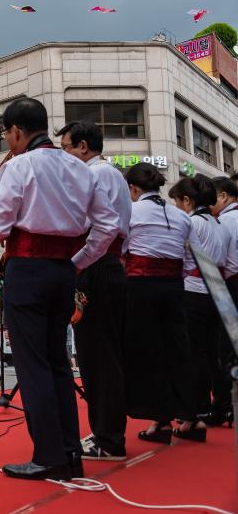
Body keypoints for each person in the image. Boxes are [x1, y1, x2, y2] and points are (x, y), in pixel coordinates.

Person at [0, 98, 119, 481]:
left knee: (33, 367)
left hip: (27, 272)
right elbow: (108, 226)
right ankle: (70, 453)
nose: (7, 141)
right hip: (63, 272)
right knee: (59, 364)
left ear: (15, 131)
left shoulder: (19, 165)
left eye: (6, 134)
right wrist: (77, 261)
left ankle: (49, 455)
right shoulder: (81, 168)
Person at [55, 120, 132, 460]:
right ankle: (106, 432)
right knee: (102, 355)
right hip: (107, 265)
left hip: (95, 265)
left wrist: (74, 263)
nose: (65, 155)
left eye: (67, 148)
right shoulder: (110, 174)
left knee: (98, 356)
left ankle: (109, 438)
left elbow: (89, 226)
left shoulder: (95, 174)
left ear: (83, 147)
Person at [121, 163, 196, 446]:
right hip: (174, 286)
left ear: (134, 189)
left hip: (140, 287)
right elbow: (190, 261)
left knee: (148, 353)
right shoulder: (181, 217)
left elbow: (123, 249)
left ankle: (160, 419)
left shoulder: (131, 211)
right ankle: (190, 415)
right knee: (178, 349)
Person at [168, 174, 228, 442]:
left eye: (178, 202)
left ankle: (195, 411)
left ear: (187, 200)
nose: (178, 208)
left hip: (193, 288)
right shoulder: (219, 224)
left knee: (193, 354)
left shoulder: (191, 223)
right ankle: (215, 406)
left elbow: (180, 258)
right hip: (217, 290)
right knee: (212, 353)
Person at [204, 177, 238, 427]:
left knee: (222, 349)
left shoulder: (223, 222)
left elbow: (218, 260)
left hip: (229, 286)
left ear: (223, 196)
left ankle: (223, 406)